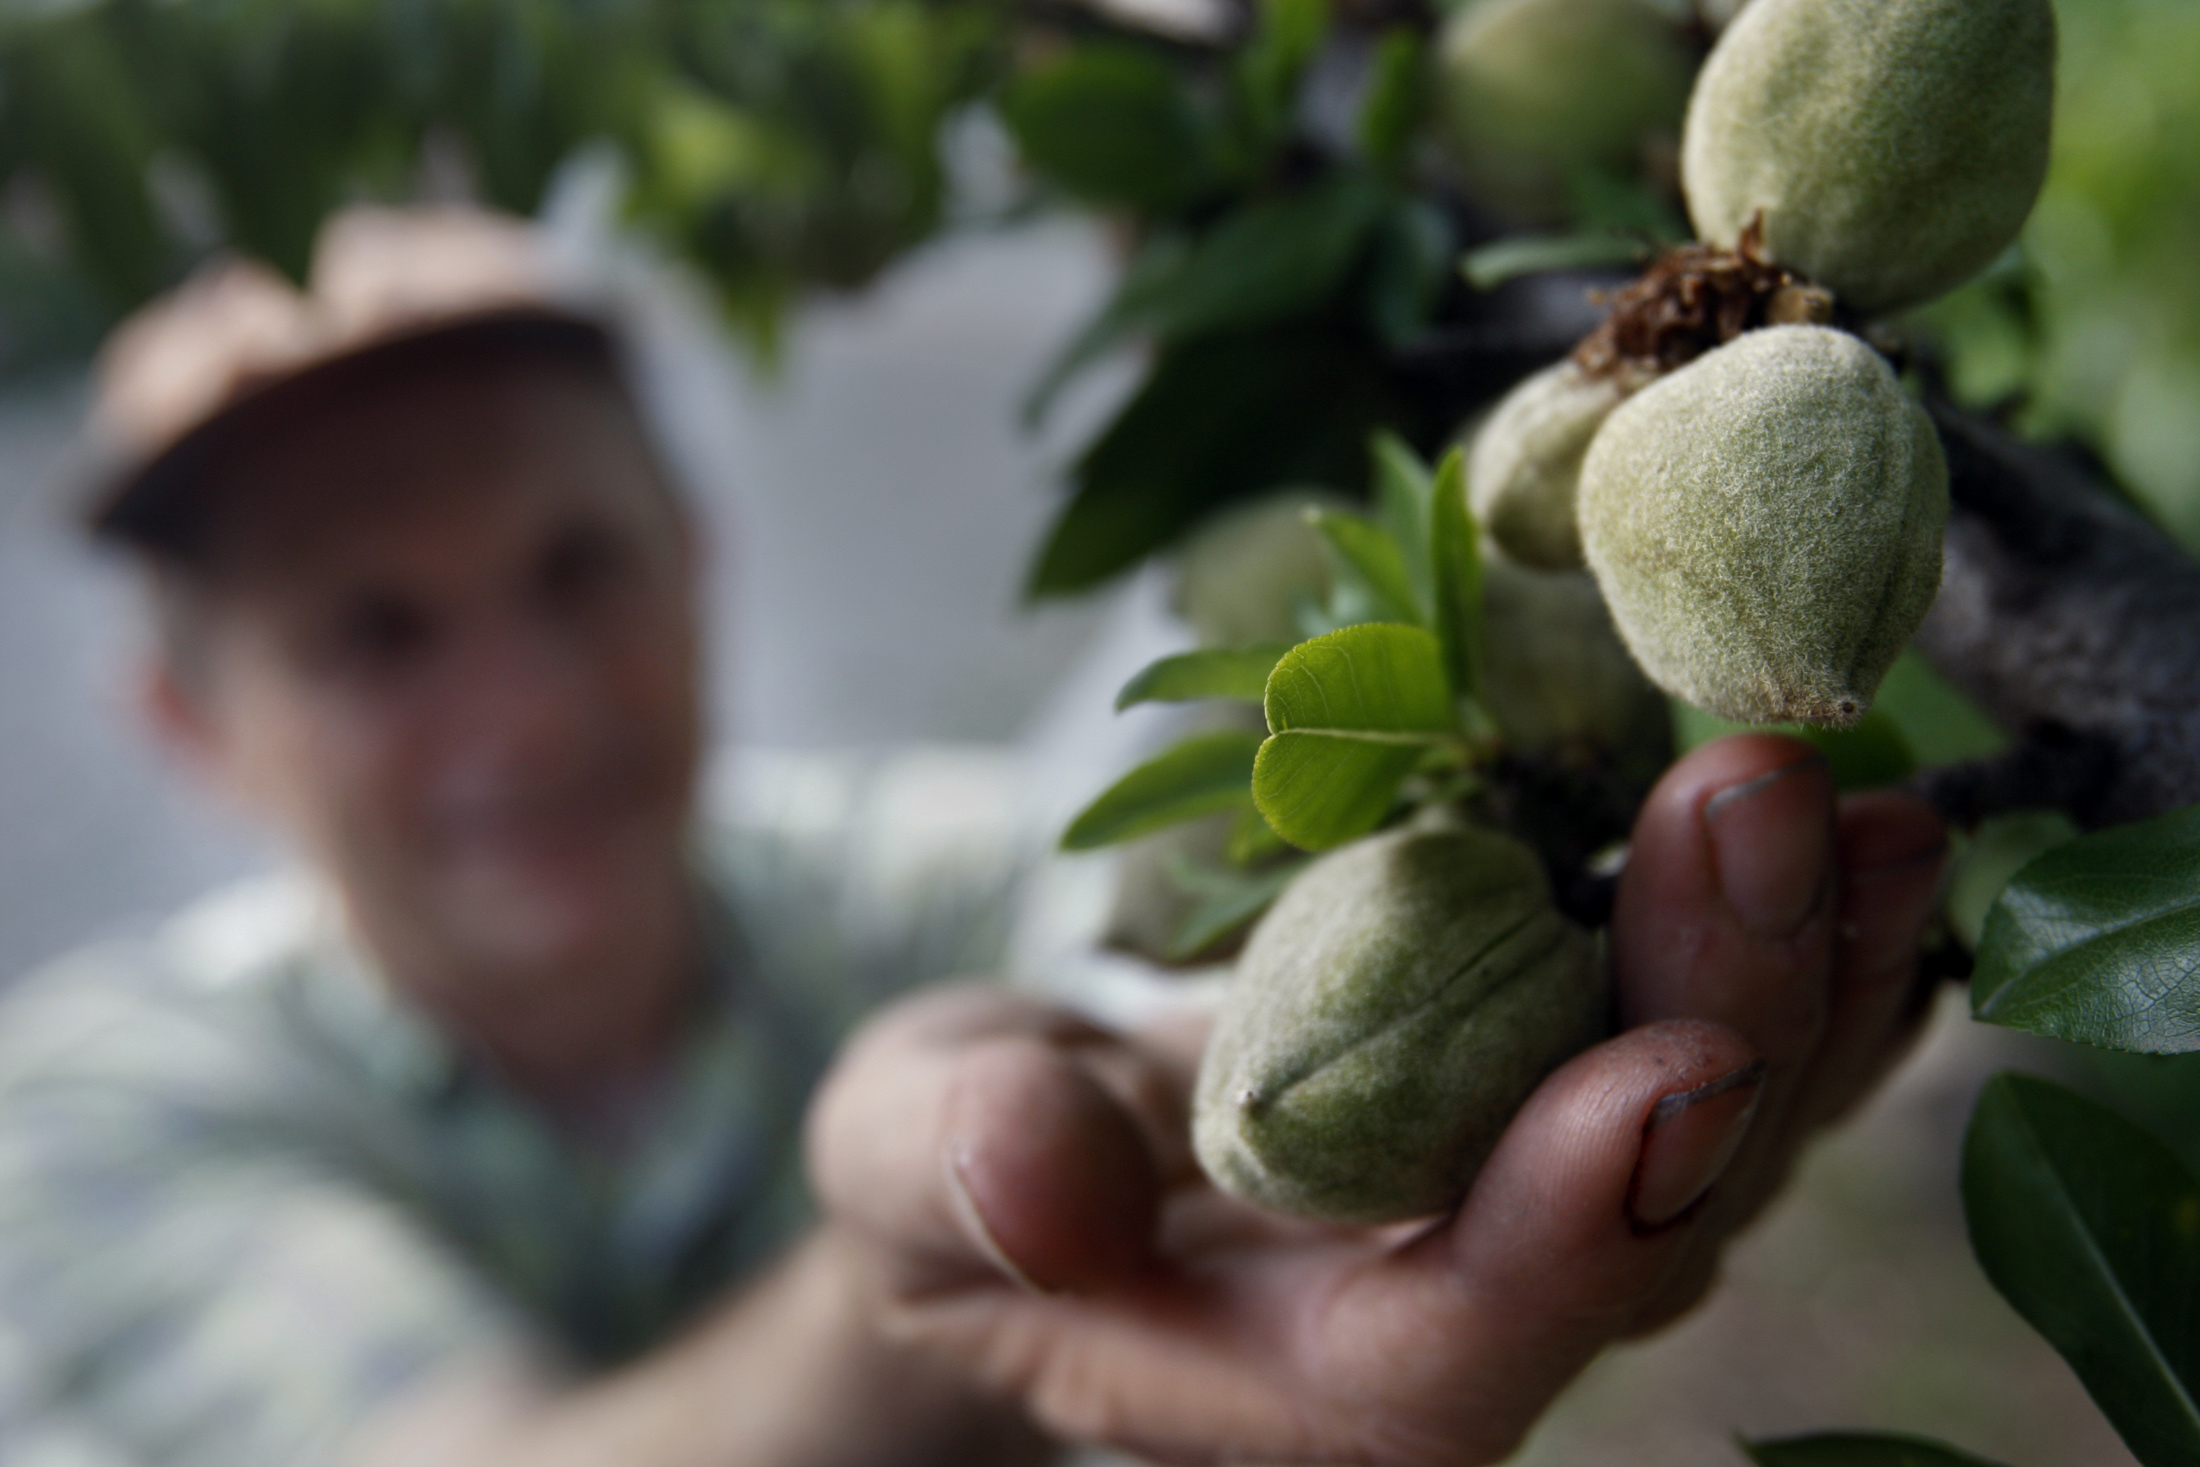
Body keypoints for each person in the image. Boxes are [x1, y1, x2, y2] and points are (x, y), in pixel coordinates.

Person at [0, 204, 1951, 1467]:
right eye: (373, 634)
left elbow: (1124, 912)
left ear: (693, 566)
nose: (520, 704)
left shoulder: (879, 877)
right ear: (194, 722)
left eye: (572, 564)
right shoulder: (92, 1114)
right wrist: (915, 1272)